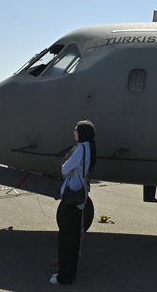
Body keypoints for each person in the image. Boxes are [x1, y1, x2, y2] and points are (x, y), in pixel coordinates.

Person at [52, 120, 96, 286]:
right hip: (79, 197)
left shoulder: (80, 149)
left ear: (82, 133)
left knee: (67, 238)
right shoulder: (89, 147)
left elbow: (64, 169)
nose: (74, 132)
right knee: (73, 238)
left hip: (72, 197)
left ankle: (64, 277)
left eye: (76, 130)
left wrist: (66, 166)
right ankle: (68, 273)